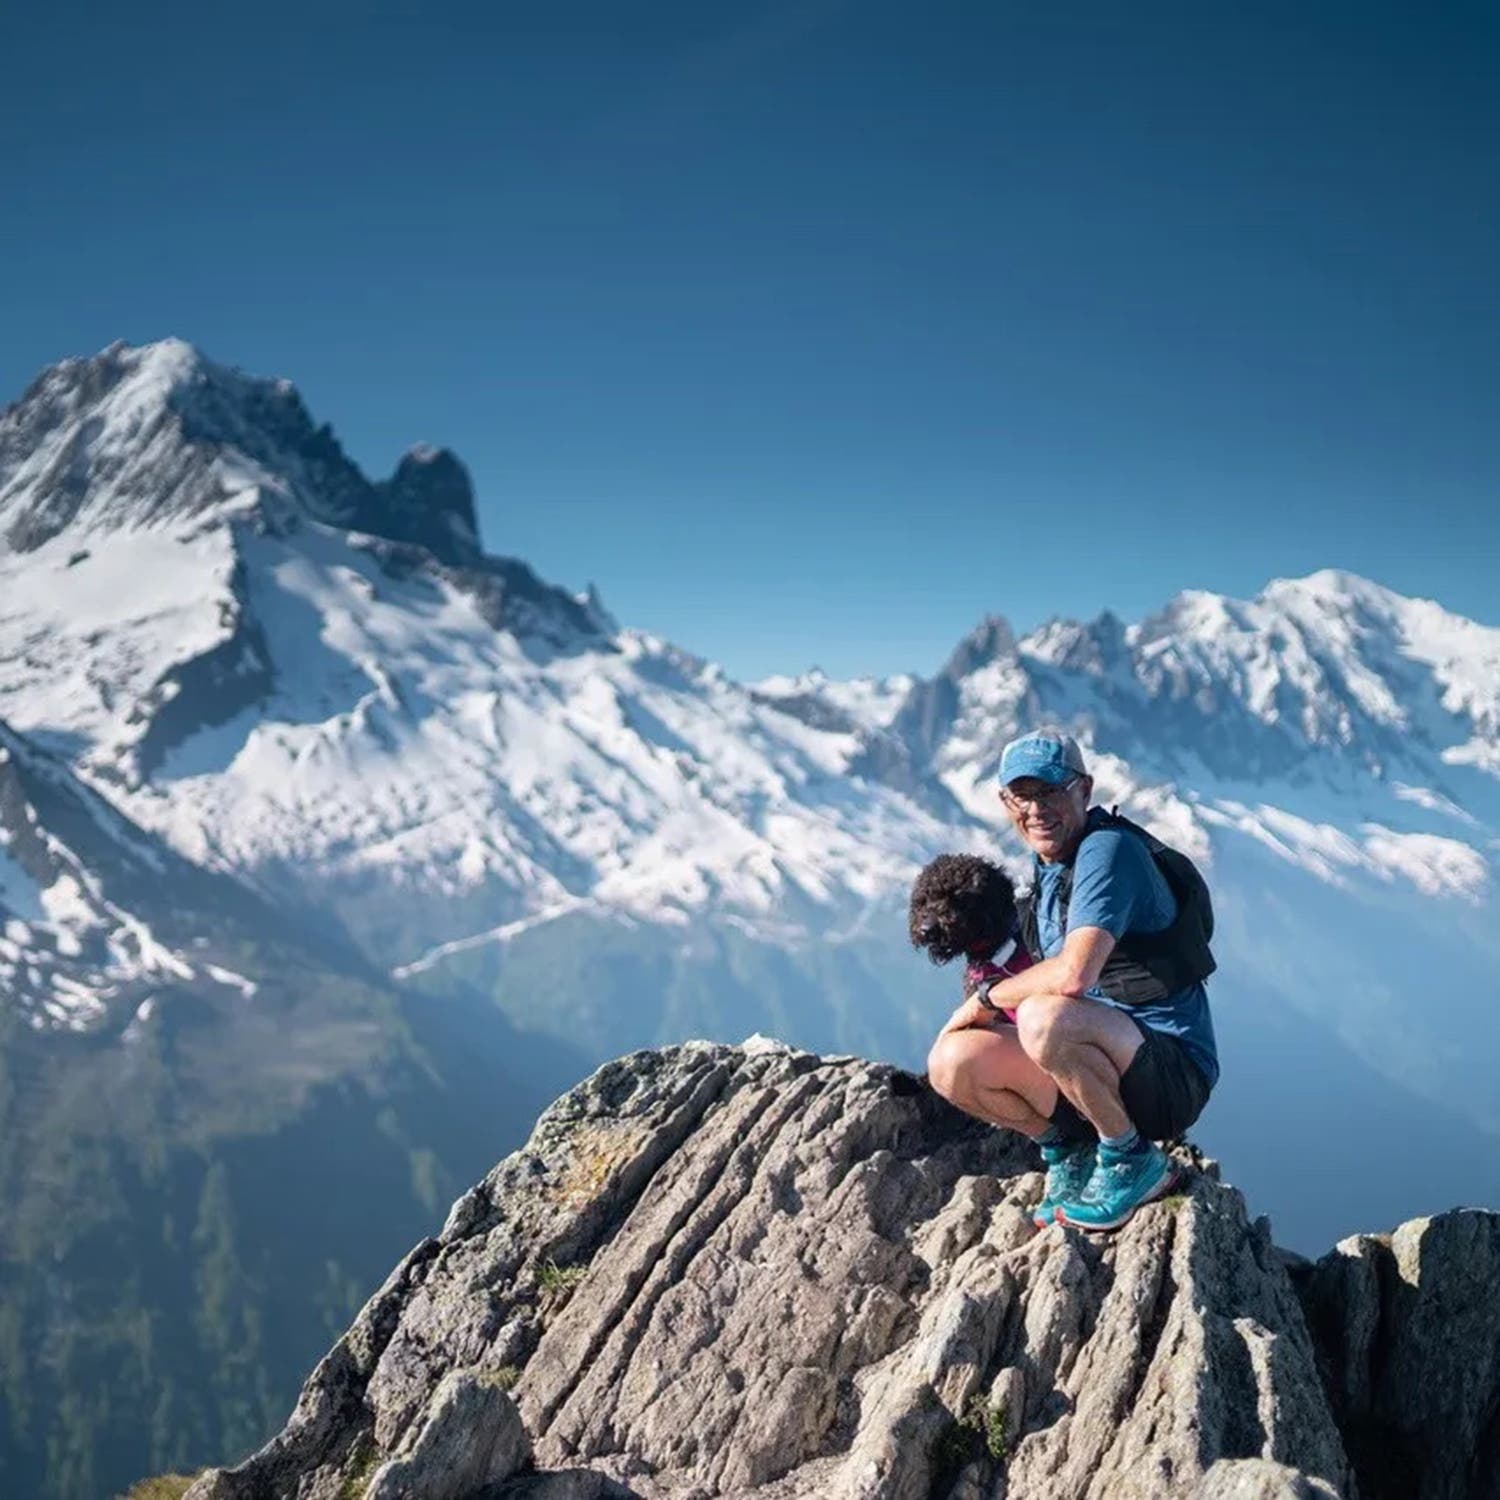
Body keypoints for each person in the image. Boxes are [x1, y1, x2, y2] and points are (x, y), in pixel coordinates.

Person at [925, 730, 1219, 1231]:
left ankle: (1131, 1161)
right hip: (1094, 1066)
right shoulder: (1049, 871)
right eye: (1022, 795)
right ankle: (1072, 1153)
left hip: (1169, 1074)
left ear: (1084, 790)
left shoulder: (1109, 851)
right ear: (1004, 801)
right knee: (951, 1063)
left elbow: (1073, 974)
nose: (1036, 808)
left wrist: (985, 1000)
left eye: (1051, 792)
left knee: (1045, 1014)